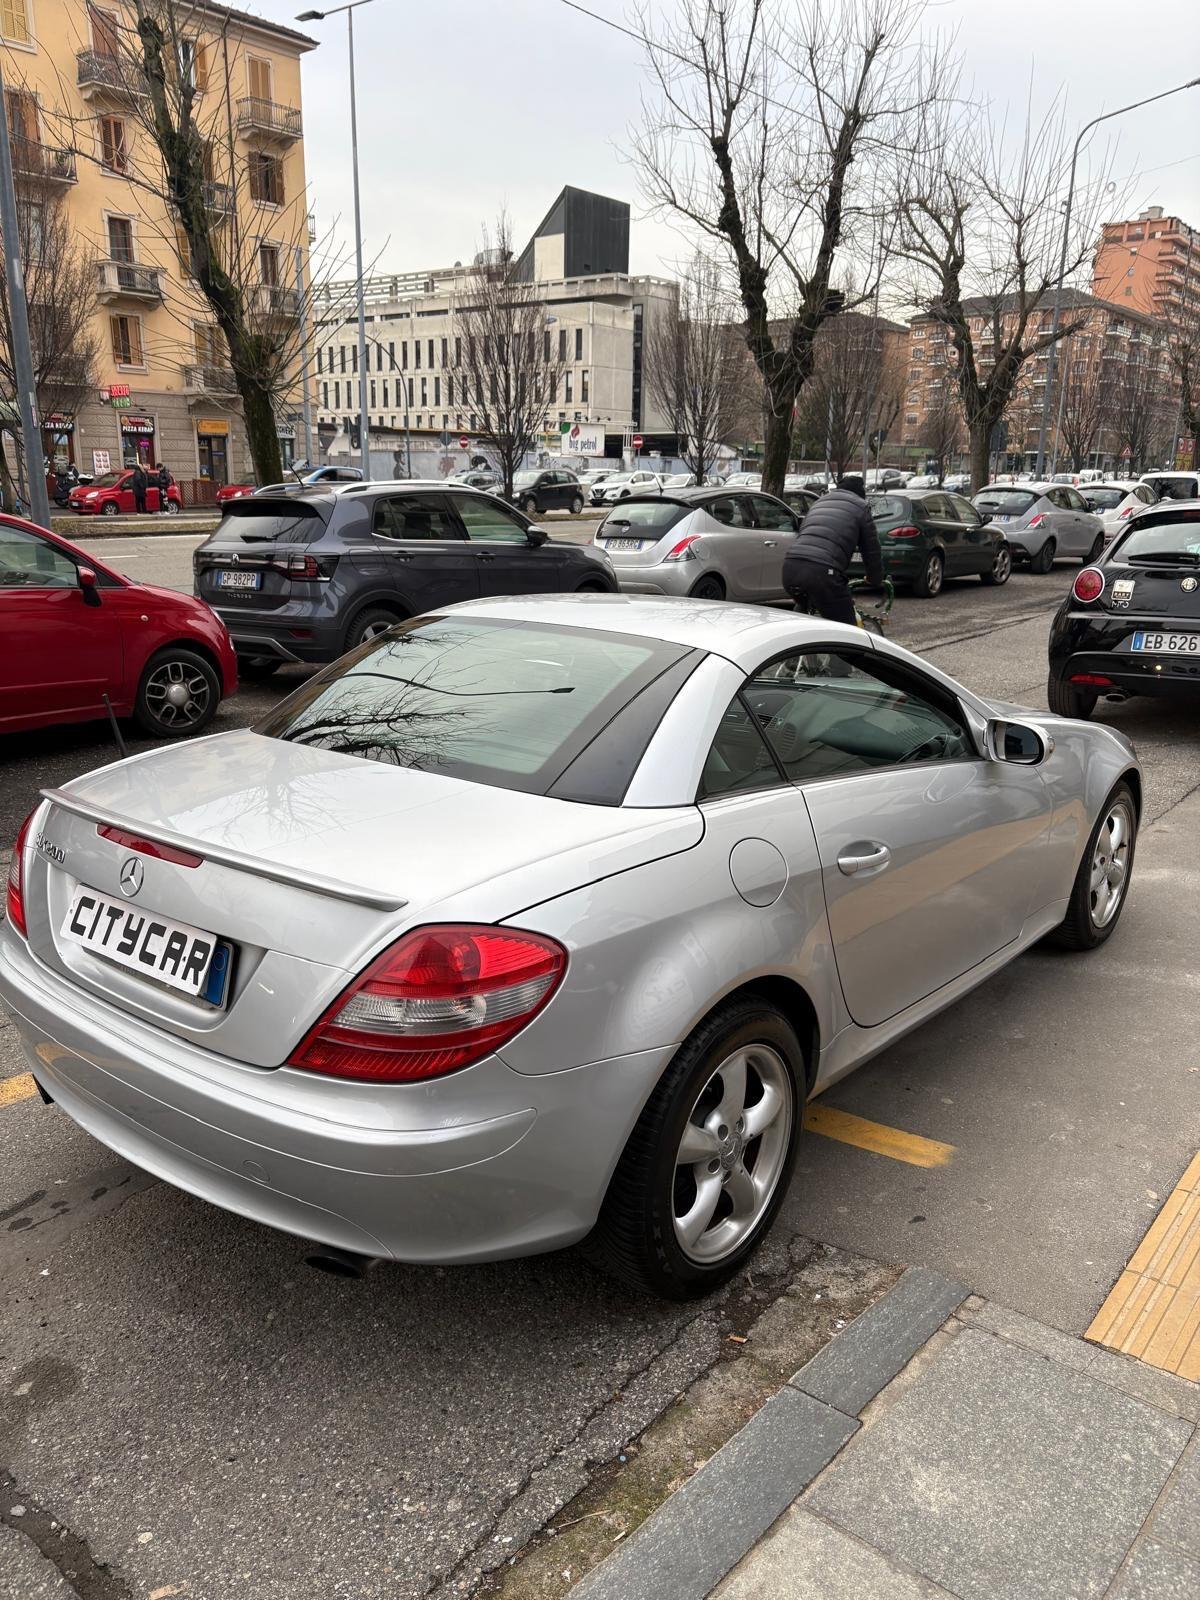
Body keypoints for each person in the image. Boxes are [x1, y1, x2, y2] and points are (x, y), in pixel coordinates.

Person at [783, 474, 885, 625]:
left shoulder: (819, 502)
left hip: (790, 568)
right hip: (823, 573)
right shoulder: (861, 507)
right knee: (847, 628)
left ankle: (795, 640)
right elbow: (871, 551)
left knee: (804, 610)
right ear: (860, 493)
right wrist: (875, 578)